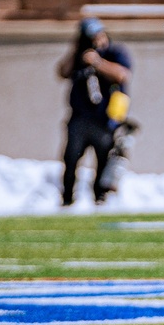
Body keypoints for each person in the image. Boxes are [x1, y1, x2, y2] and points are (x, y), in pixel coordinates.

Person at [57, 17, 132, 206]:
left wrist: (98, 62)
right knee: (71, 159)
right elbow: (62, 72)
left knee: (103, 159)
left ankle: (100, 198)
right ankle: (67, 199)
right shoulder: (78, 56)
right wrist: (76, 49)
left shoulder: (114, 53)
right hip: (80, 118)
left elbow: (123, 75)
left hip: (104, 119)